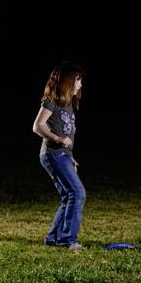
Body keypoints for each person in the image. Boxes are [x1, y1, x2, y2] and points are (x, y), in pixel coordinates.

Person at [33, 60, 87, 251]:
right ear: (68, 81)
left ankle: (53, 238)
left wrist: (69, 155)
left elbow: (66, 133)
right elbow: (38, 126)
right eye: (78, 80)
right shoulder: (52, 101)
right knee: (77, 193)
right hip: (52, 154)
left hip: (61, 155)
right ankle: (69, 240)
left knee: (68, 196)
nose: (80, 84)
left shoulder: (69, 104)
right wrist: (58, 139)